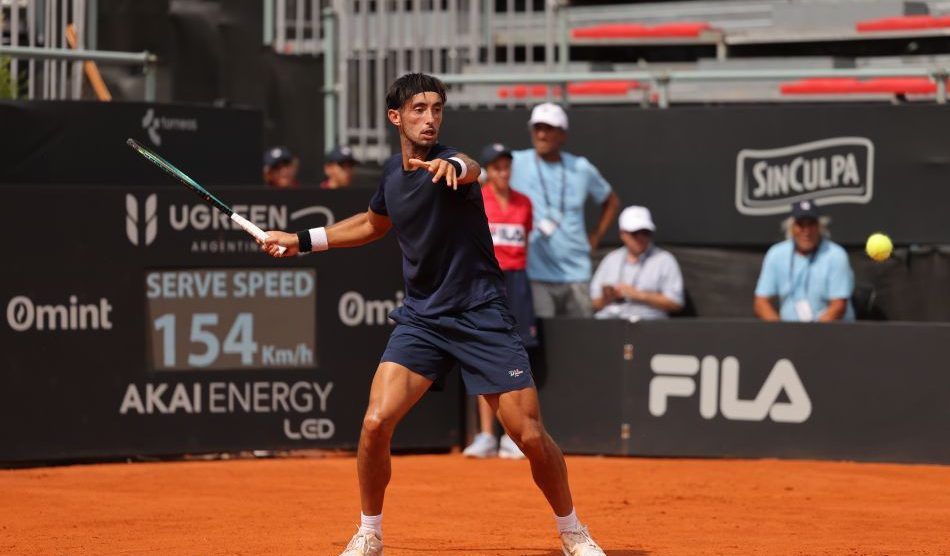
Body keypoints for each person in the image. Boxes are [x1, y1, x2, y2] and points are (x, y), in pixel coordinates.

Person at [259, 73, 606, 556]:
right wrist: (299, 241)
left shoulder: (447, 164)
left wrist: (457, 168)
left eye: (437, 109)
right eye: (419, 109)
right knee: (376, 423)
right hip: (423, 318)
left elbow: (469, 168)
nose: (429, 118)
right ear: (395, 117)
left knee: (528, 435)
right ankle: (370, 531)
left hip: (481, 313)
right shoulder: (391, 176)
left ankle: (571, 529)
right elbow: (371, 224)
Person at [510, 102, 620, 318]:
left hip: (576, 273)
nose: (541, 135)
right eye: (537, 128)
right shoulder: (515, 162)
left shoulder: (581, 167)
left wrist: (596, 236)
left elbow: (611, 201)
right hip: (536, 273)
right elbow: (480, 176)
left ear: (562, 134)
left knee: (580, 342)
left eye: (548, 129)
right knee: (546, 343)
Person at [462, 143, 535, 460]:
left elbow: (525, 244)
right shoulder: (478, 199)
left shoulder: (525, 204)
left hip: (517, 282)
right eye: (496, 167)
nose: (503, 172)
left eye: (507, 166)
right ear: (488, 172)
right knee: (484, 356)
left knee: (517, 358)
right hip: (485, 282)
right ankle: (486, 436)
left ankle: (512, 436)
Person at [754, 200, 855, 322]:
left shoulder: (836, 255)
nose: (806, 231)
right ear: (791, 227)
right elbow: (761, 302)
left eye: (811, 224)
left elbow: (838, 306)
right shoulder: (776, 254)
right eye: (800, 224)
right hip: (789, 334)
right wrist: (781, 332)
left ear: (819, 227)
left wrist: (810, 336)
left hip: (831, 333)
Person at [590, 206, 684, 320]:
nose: (641, 238)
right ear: (622, 234)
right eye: (635, 233)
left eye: (645, 232)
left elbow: (676, 303)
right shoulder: (611, 259)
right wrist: (608, 297)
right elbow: (594, 303)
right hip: (610, 324)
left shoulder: (664, 260)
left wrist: (639, 295)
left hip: (647, 326)